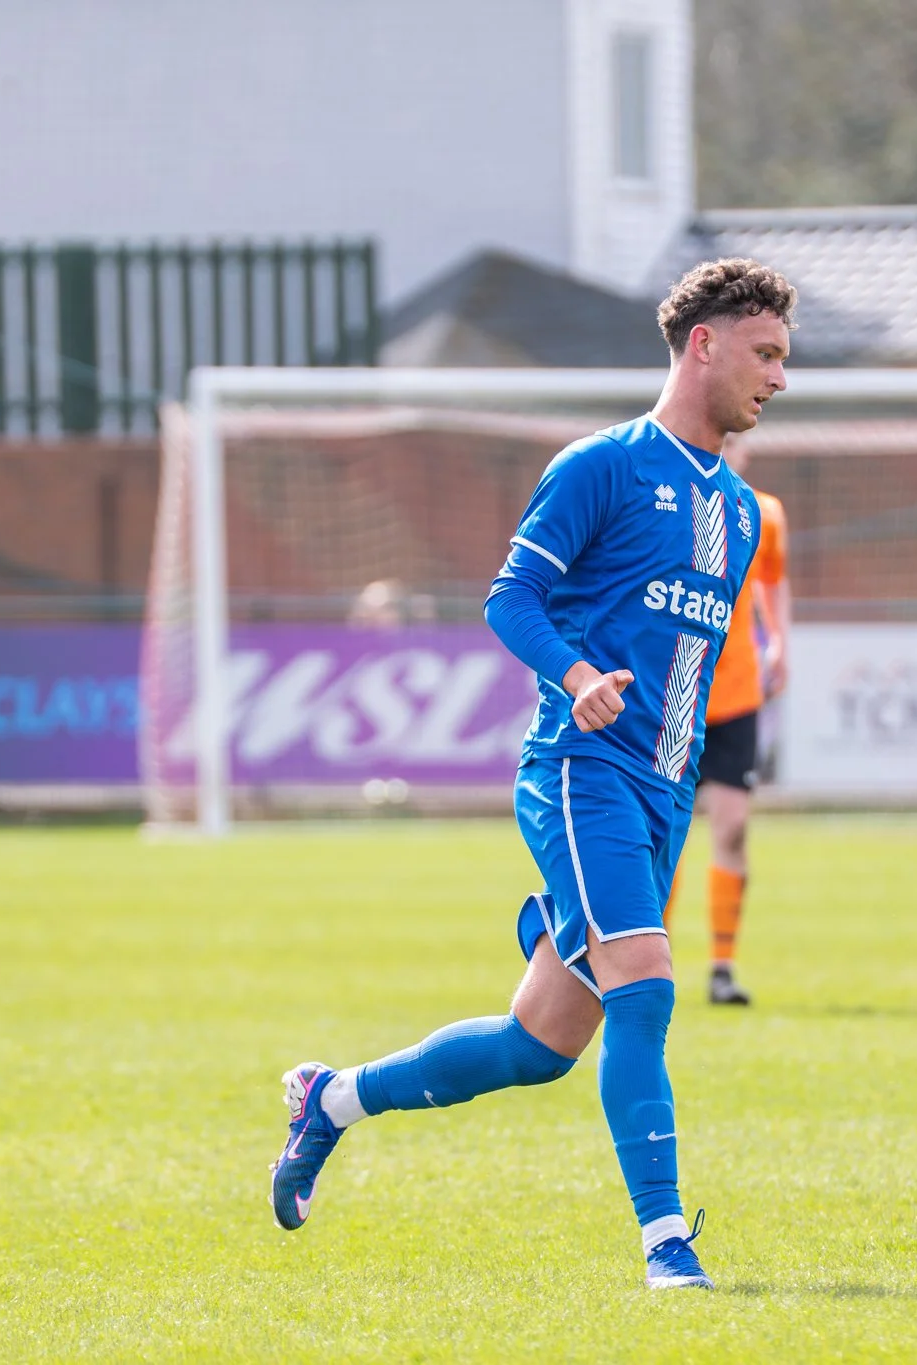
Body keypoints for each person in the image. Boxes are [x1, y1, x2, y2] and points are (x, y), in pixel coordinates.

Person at [267, 258, 796, 1292]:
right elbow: (511, 600)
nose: (779, 377)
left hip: (660, 795)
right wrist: (576, 673)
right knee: (644, 993)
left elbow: (687, 662)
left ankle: (330, 1100)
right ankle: (665, 1244)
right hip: (578, 769)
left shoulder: (734, 513)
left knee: (538, 1045)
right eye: (766, 353)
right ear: (704, 344)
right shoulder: (602, 465)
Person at [673, 449, 789, 1006]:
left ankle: (722, 966)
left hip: (737, 694)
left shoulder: (763, 512)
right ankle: (650, 961)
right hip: (676, 690)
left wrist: (781, 641)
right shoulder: (670, 505)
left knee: (733, 829)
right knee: (663, 837)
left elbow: (773, 582)